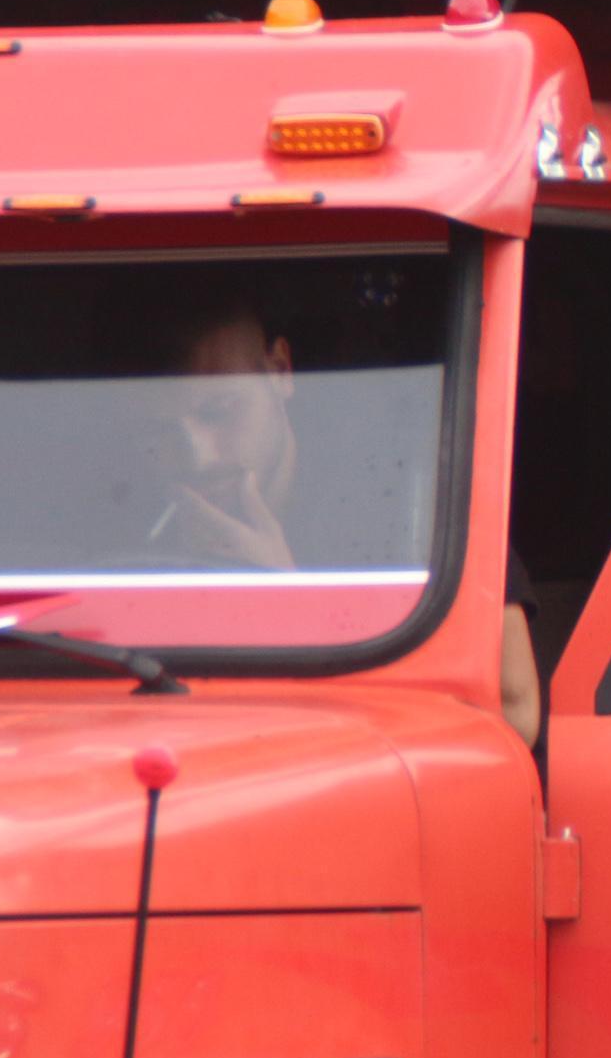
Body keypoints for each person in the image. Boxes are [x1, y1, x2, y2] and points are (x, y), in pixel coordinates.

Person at [156, 298, 542, 744]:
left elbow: (515, 713)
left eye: (218, 412)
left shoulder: (406, 501)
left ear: (280, 371)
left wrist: (281, 596)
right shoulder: (130, 521)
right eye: (162, 431)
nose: (198, 456)